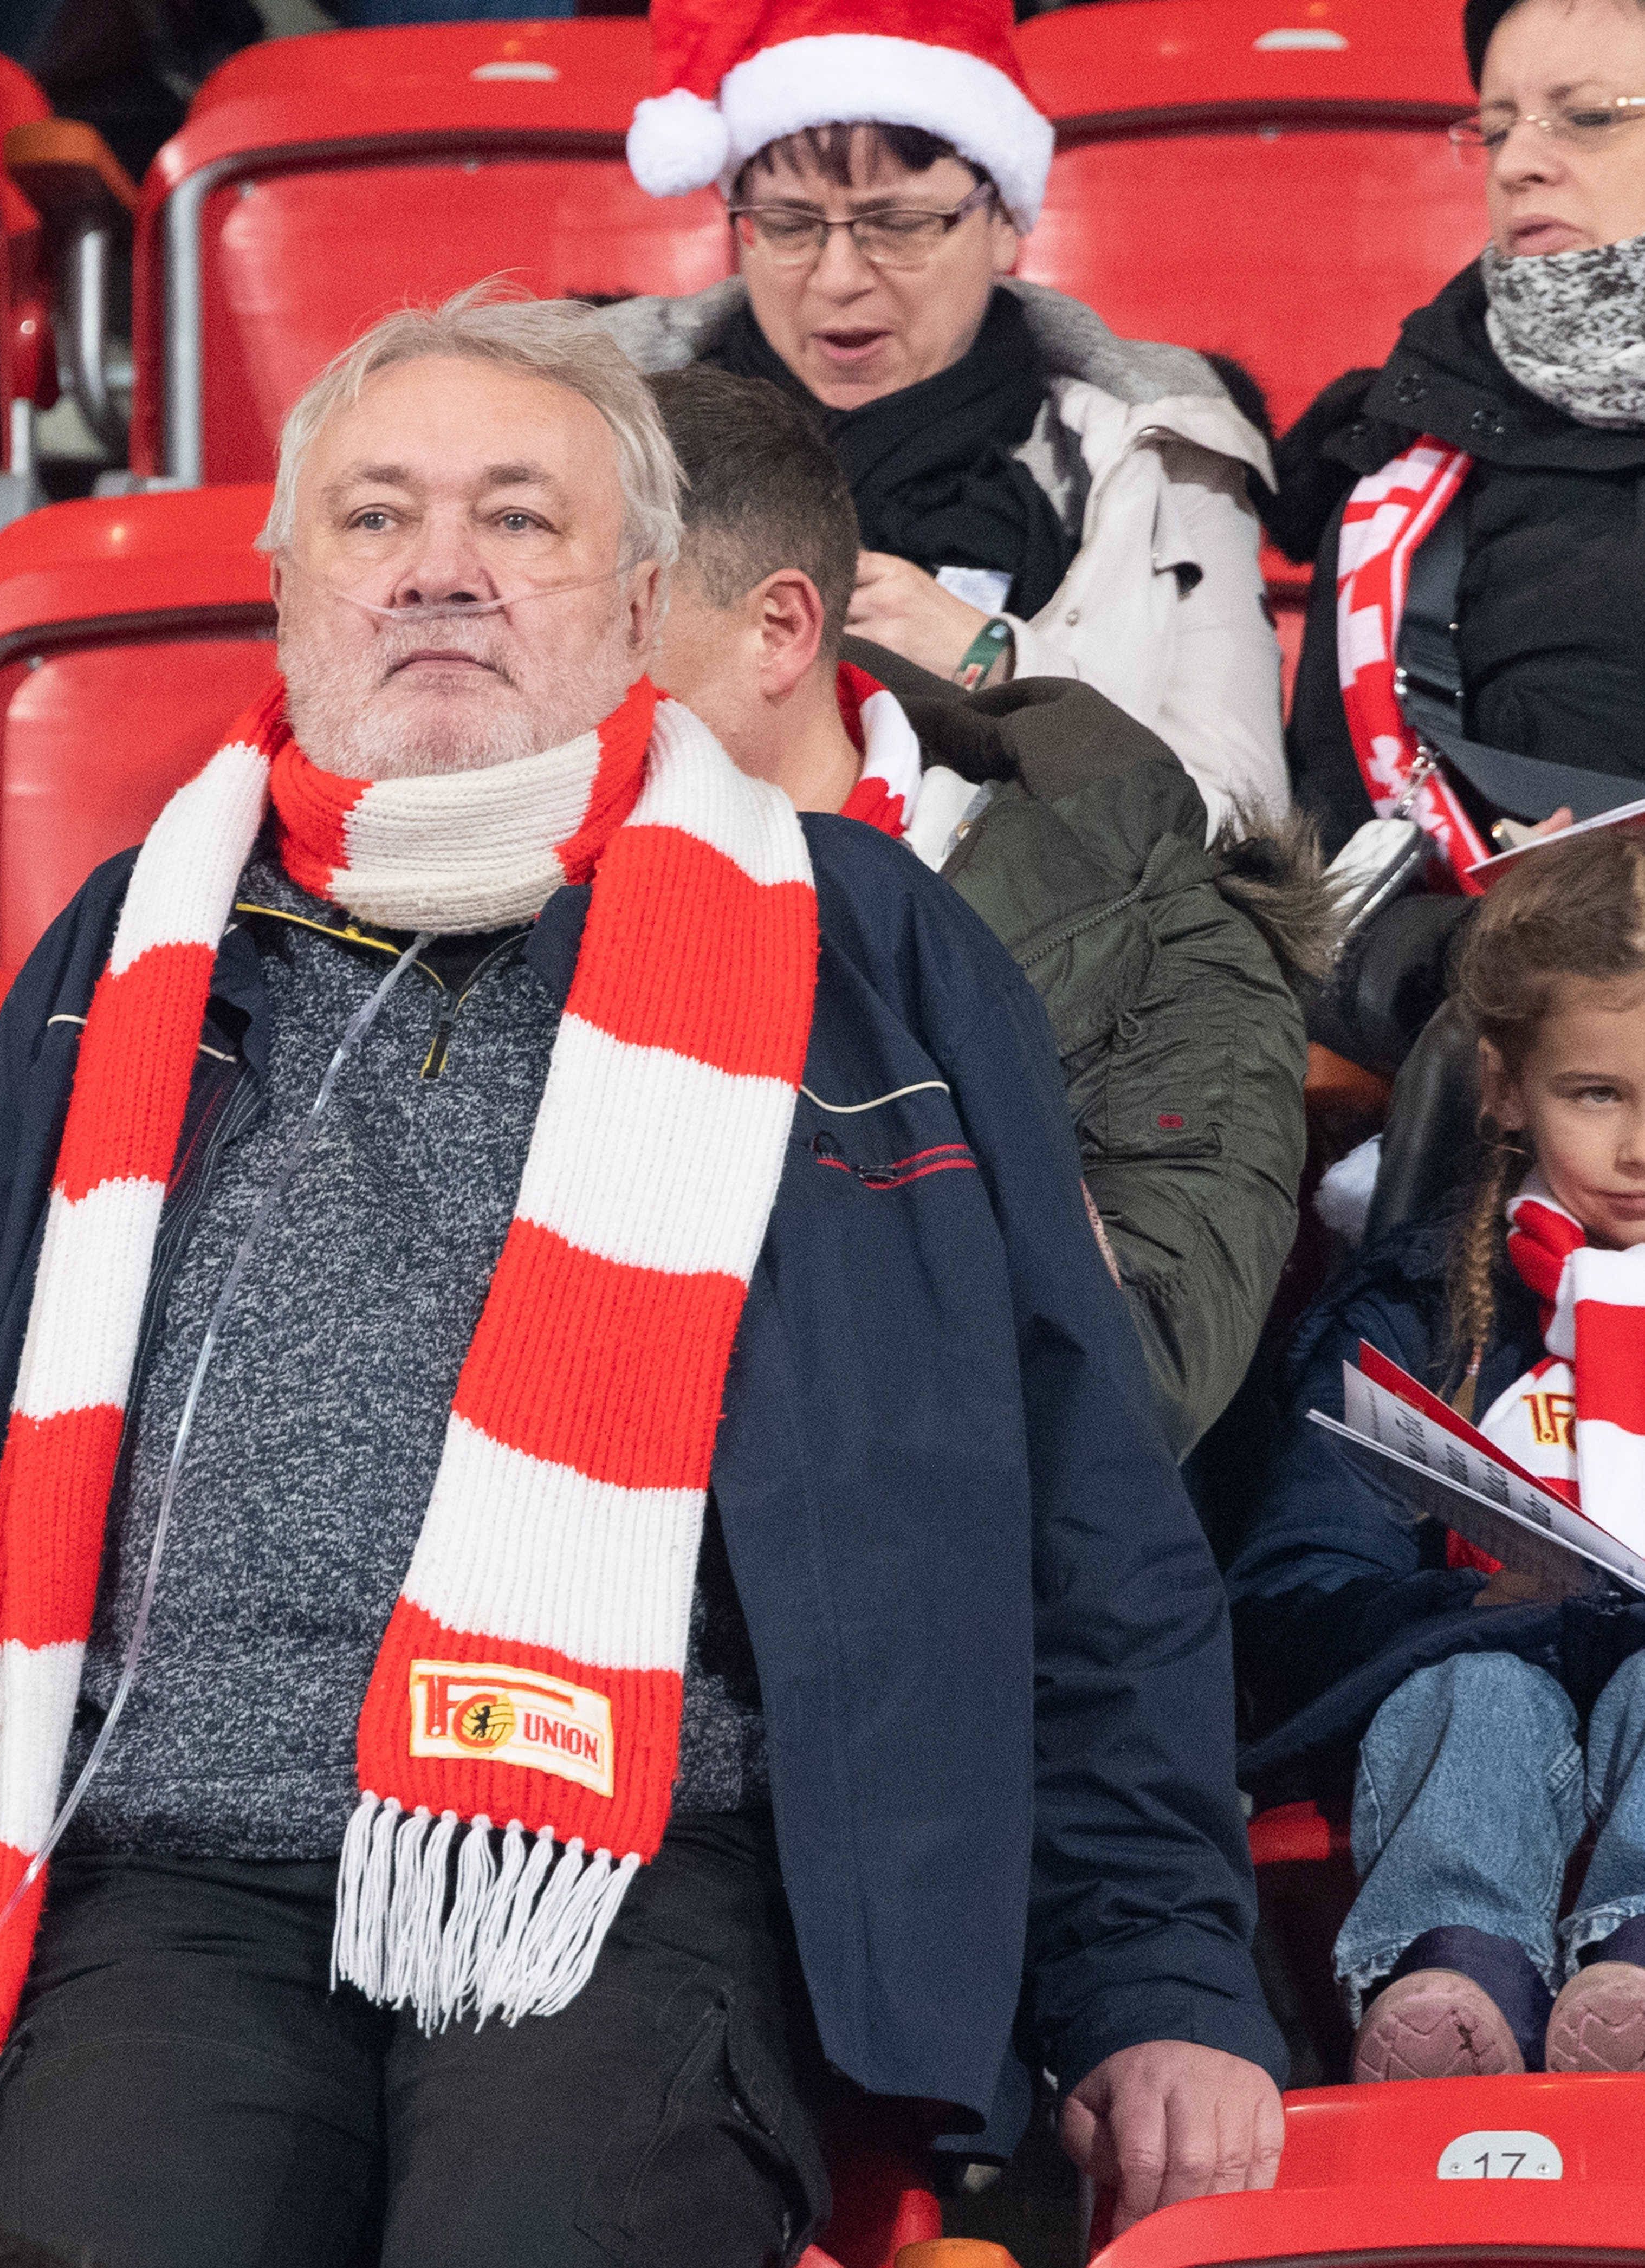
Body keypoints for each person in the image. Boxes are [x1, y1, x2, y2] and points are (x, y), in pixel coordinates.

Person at [0, 287, 1284, 2265]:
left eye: (519, 521)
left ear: (646, 601)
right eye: (375, 520)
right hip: (166, 1868)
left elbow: (1080, 1501)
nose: (440, 576)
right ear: (291, 592)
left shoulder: (869, 948)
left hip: (659, 1865)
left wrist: (1156, 1974)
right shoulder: (129, 952)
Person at [646, 366, 1324, 1461]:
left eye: (611, 618)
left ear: (777, 628)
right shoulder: (524, 876)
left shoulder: (1154, 925)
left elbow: (1129, 1387)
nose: (527, 670)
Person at [598, 0, 1286, 837]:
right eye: (787, 226)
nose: (840, 274)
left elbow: (1246, 825)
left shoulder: (1158, 449)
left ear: (1004, 226)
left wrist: (991, 656)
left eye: (899, 225)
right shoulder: (601, 436)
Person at [1228, 830, 1645, 2081]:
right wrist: (1469, 1601)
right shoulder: (1417, 1308)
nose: (1639, 1146)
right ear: (1506, 1088)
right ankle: (1454, 1977)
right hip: (1468, 1660)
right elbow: (1300, 1566)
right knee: (1476, 1692)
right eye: (1598, 1093)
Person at [1280, 0, 1645, 863]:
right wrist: (1508, 947)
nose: (1518, 162)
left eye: (1588, 119)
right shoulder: (1398, 484)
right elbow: (1336, 879)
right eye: (1493, 128)